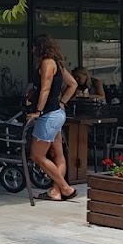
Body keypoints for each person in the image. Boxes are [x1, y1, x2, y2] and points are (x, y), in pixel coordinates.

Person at [26, 35, 79, 202]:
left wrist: (38, 111)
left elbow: (45, 89)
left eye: (34, 47)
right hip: (57, 113)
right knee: (58, 154)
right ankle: (55, 191)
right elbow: (73, 84)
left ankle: (65, 187)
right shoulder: (57, 63)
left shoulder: (47, 63)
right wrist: (62, 102)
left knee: (36, 155)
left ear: (40, 47)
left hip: (48, 115)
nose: (32, 50)